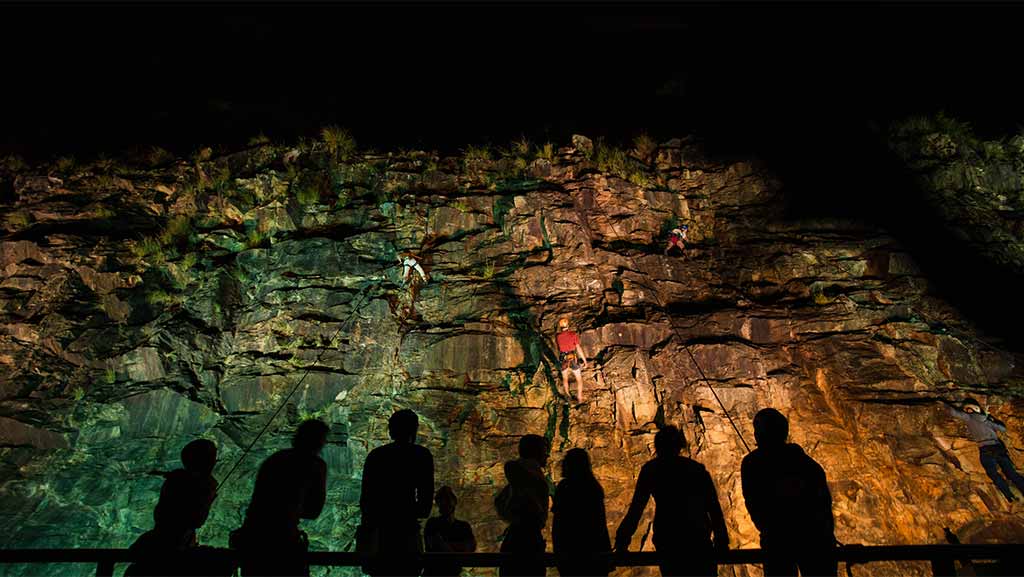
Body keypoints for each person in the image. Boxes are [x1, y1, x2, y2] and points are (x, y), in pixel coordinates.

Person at [615, 426, 728, 577]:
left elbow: (636, 508)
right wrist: (721, 539)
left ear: (658, 446)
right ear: (680, 446)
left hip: (668, 538)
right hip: (697, 538)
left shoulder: (651, 470)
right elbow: (713, 507)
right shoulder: (695, 469)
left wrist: (622, 540)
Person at [741, 408, 836, 577]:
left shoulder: (752, 464)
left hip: (778, 542)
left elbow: (753, 503)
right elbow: (823, 503)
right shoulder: (807, 464)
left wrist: (771, 528)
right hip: (815, 540)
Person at [233, 419, 329, 577]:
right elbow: (313, 511)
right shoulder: (315, 465)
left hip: (254, 539)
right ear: (319, 441)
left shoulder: (275, 459)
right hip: (284, 542)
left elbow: (259, 502)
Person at [126, 439, 228, 577]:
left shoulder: (176, 480)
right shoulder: (195, 484)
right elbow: (196, 519)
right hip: (172, 549)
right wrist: (207, 496)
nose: (214, 462)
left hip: (159, 546)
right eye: (212, 458)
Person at [359, 409, 435, 577]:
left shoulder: (376, 456)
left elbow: (365, 502)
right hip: (407, 537)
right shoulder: (421, 456)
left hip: (381, 538)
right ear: (414, 430)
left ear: (391, 430)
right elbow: (424, 507)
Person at [945, 397, 1024, 502]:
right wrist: (990, 418)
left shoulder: (969, 418)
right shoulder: (986, 420)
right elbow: (1003, 429)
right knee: (1011, 473)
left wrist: (943, 403)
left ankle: (1009, 495)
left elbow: (953, 412)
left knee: (993, 474)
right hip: (997, 448)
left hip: (986, 449)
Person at [495, 434, 551, 577]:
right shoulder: (529, 474)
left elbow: (500, 503)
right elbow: (510, 467)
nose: (547, 454)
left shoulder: (528, 475)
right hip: (526, 540)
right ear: (536, 451)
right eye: (544, 450)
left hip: (520, 536)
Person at [552, 448, 611, 577]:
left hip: (570, 549)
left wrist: (558, 551)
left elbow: (559, 523)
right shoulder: (593, 487)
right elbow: (600, 523)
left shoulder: (565, 487)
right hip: (594, 548)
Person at [423, 486, 477, 577]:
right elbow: (467, 548)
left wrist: (445, 545)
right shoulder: (432, 524)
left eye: (447, 499)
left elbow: (470, 548)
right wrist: (458, 548)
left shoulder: (463, 526)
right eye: (443, 499)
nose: (445, 503)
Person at [556, 317, 588, 404]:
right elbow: (578, 348)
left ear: (560, 327)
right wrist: (584, 360)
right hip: (572, 357)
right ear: (568, 325)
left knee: (565, 378)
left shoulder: (558, 336)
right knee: (579, 379)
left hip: (563, 358)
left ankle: (568, 397)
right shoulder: (573, 334)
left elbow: (559, 348)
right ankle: (579, 397)